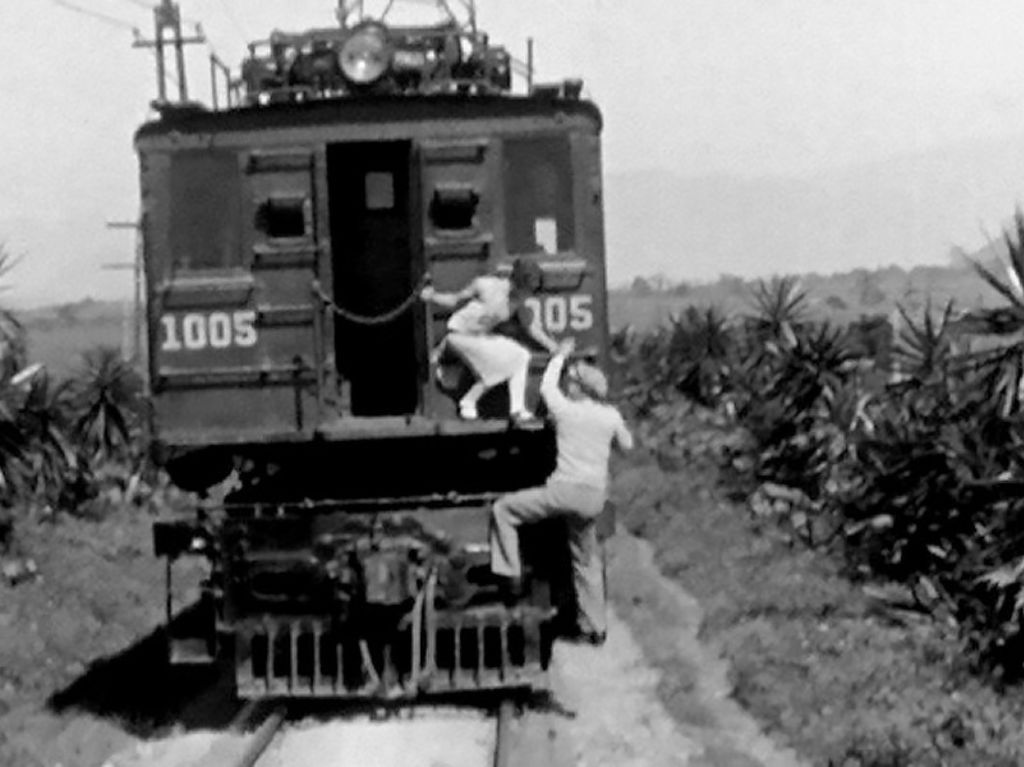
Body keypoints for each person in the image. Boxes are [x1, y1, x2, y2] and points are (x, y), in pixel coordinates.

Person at [488, 339, 634, 645]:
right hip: (592, 498)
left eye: (572, 383)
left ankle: (510, 575)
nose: (568, 386)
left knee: (504, 509)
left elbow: (546, 389)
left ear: (579, 388)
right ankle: (595, 628)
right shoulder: (610, 416)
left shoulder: (566, 412)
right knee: (586, 560)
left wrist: (559, 357)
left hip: (562, 494)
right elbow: (627, 446)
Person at [420, 259, 559, 422]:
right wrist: (431, 296)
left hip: (480, 338)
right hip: (458, 335)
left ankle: (517, 409)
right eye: (529, 288)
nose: (530, 294)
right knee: (498, 362)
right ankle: (469, 401)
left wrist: (553, 347)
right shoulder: (485, 285)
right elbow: (454, 300)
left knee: (522, 355)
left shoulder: (517, 302)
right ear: (518, 282)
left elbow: (531, 327)